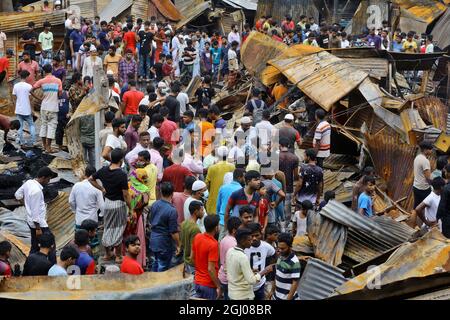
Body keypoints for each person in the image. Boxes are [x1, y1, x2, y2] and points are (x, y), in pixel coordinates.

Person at [89, 149, 130, 264]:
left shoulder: (103, 170)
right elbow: (126, 194)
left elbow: (91, 179)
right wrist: (130, 208)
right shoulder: (122, 174)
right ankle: (117, 256)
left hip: (107, 203)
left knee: (108, 227)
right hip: (118, 205)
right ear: (121, 160)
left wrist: (102, 189)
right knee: (118, 229)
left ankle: (107, 254)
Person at [15, 167, 57, 255]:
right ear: (43, 178)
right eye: (48, 179)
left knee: (35, 245)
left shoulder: (29, 182)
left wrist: (27, 206)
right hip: (39, 224)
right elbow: (35, 212)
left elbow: (17, 195)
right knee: (50, 244)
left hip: (31, 222)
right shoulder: (37, 191)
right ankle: (51, 265)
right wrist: (38, 228)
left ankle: (31, 263)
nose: (48, 182)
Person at [226, 228, 270, 300]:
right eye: (249, 240)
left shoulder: (230, 251)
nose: (252, 242)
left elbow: (235, 270)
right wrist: (264, 272)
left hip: (232, 293)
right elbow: (251, 281)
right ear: (242, 241)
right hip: (242, 296)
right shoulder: (242, 257)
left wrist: (249, 271)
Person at [149, 182, 180, 272]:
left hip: (153, 239)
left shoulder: (155, 204)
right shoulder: (172, 210)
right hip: (164, 243)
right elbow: (173, 232)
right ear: (172, 194)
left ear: (161, 192)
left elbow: (151, 220)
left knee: (155, 263)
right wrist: (179, 245)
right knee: (162, 267)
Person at [31, 64, 62, 153]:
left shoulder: (41, 81)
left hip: (44, 106)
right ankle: (48, 147)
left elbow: (31, 90)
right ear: (52, 70)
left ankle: (44, 146)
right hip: (53, 107)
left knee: (44, 125)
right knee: (52, 127)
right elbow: (59, 94)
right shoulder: (58, 81)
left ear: (44, 71)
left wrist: (39, 99)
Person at [124, 168, 150, 268]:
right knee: (137, 239)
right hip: (138, 217)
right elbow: (146, 202)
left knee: (125, 236)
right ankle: (138, 263)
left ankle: (124, 259)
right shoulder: (144, 189)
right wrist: (136, 207)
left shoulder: (128, 185)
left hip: (127, 216)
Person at [245, 222, 276, 300]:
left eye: (257, 235)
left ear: (261, 234)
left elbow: (274, 255)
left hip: (260, 285)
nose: (254, 238)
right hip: (246, 286)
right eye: (252, 236)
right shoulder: (244, 247)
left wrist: (269, 269)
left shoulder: (266, 246)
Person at [268, 232, 300, 300]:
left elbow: (295, 284)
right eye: (279, 248)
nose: (280, 250)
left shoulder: (294, 262)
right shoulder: (280, 257)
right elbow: (277, 275)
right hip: (276, 296)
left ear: (290, 246)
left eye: (283, 248)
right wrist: (272, 291)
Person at [217, 169, 246, 239]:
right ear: (240, 178)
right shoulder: (241, 190)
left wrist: (218, 218)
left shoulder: (222, 188)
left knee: (221, 242)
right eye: (243, 177)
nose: (244, 179)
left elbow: (218, 205)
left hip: (222, 220)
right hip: (235, 222)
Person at [205, 146, 235, 214]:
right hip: (227, 199)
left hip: (214, 200)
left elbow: (207, 184)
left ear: (217, 155)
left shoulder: (212, 168)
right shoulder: (232, 166)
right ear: (227, 155)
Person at [278, 136, 300, 227]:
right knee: (287, 208)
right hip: (289, 187)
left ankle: (279, 225)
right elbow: (295, 176)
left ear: (279, 145)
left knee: (278, 206)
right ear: (289, 145)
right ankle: (286, 226)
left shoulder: (275, 156)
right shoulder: (294, 158)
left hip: (277, 187)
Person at [12, 70, 36, 147]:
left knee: (20, 126)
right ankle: (33, 142)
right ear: (26, 77)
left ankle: (21, 142)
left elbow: (14, 98)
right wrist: (32, 110)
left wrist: (16, 105)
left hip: (19, 109)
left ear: (20, 76)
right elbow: (31, 99)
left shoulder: (16, 86)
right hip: (27, 110)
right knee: (31, 125)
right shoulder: (29, 86)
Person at [180, 200, 204, 276]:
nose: (203, 213)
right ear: (196, 212)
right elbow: (194, 250)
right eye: (201, 210)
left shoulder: (184, 223)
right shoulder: (195, 229)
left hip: (186, 261)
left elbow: (182, 243)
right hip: (192, 264)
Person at [413, 141, 433, 208]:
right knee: (429, 207)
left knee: (416, 207)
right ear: (425, 150)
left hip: (416, 186)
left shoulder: (417, 157)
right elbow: (428, 178)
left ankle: (414, 218)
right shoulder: (425, 161)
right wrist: (434, 186)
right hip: (424, 188)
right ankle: (426, 219)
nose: (431, 151)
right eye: (430, 149)